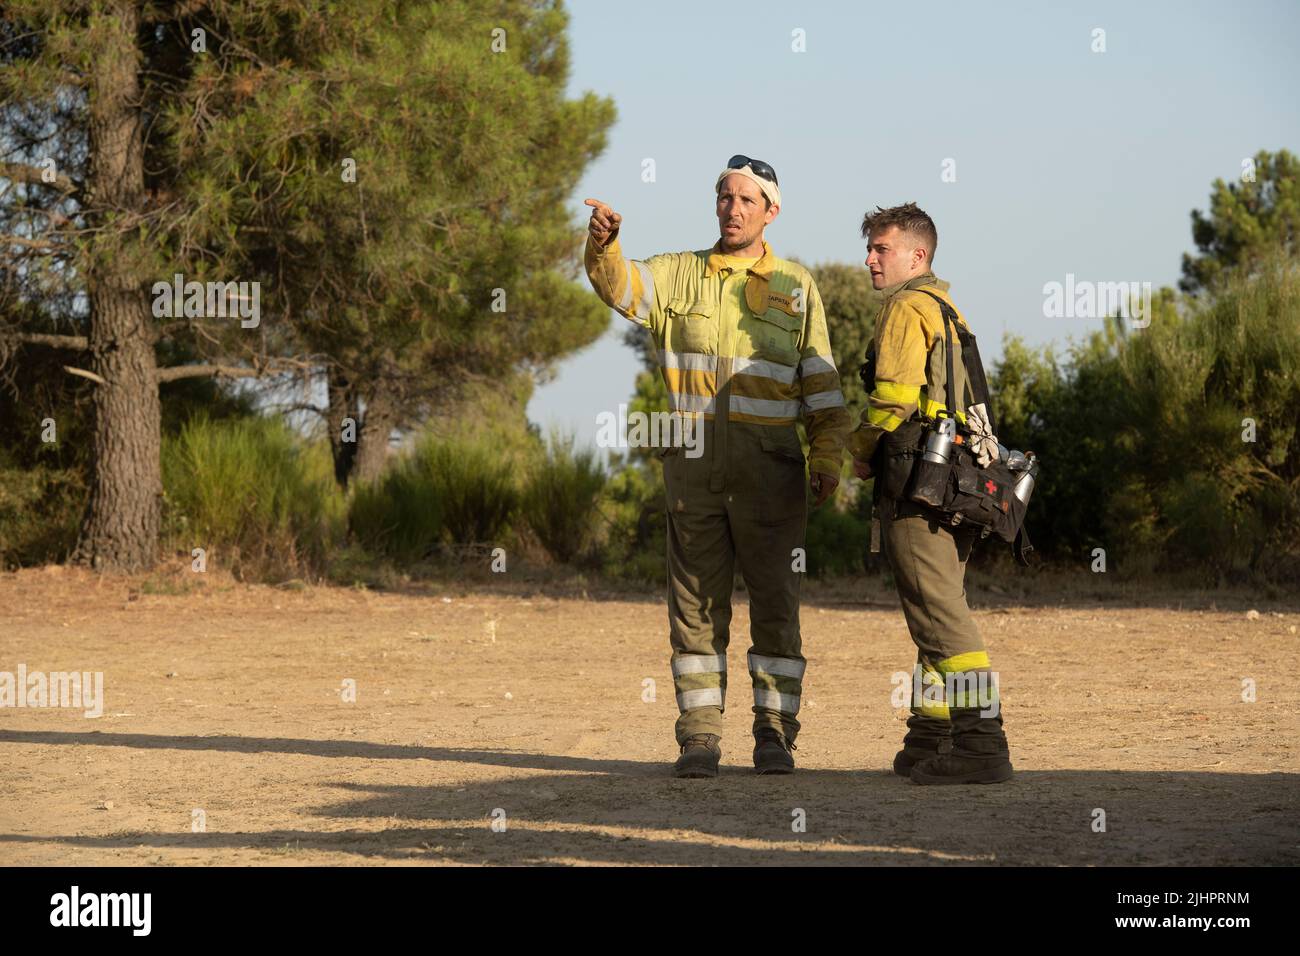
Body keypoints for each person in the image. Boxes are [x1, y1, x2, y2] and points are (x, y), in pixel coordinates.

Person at [584, 156, 850, 777]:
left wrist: (829, 454)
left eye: (746, 200)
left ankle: (775, 735)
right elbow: (621, 285)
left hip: (773, 478)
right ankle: (699, 737)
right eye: (724, 197)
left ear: (770, 210)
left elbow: (822, 384)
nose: (733, 209)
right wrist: (604, 244)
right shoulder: (679, 275)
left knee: (777, 607)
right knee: (696, 609)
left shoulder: (797, 286)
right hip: (695, 473)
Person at [849, 202, 1014, 785]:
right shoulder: (949, 308)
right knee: (936, 605)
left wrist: (856, 449)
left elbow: (892, 399)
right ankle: (929, 737)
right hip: (962, 485)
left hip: (918, 482)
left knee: (939, 612)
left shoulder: (904, 308)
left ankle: (981, 743)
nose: (869, 258)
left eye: (881, 248)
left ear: (917, 255)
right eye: (869, 247)